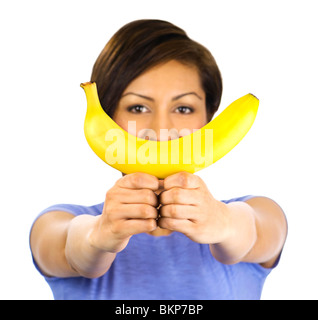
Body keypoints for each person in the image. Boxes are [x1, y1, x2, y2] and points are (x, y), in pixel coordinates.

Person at [29, 19, 287, 300]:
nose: (161, 128)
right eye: (138, 107)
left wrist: (224, 222)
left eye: (184, 108)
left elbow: (252, 232)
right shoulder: (56, 222)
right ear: (107, 117)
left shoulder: (262, 212)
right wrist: (99, 235)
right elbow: (72, 248)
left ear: (209, 120)